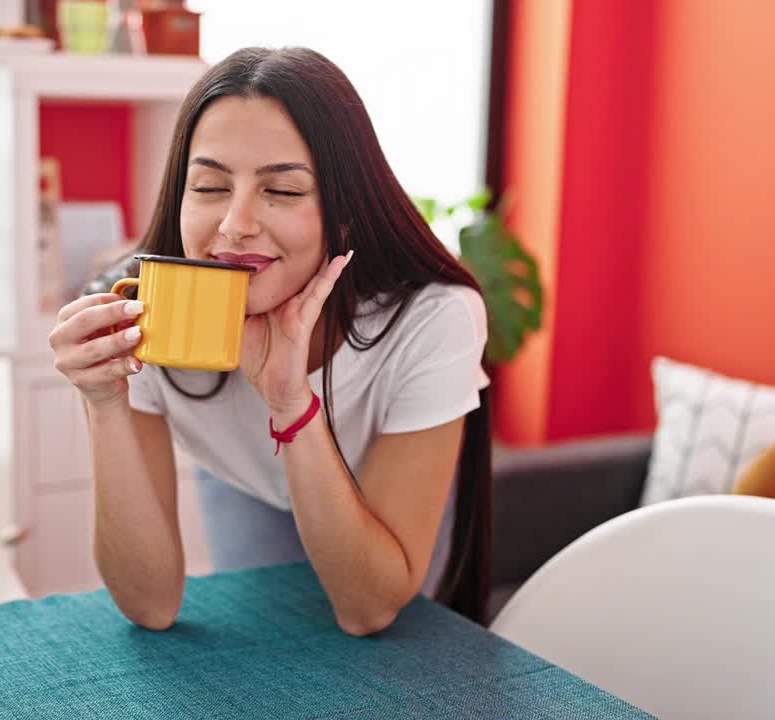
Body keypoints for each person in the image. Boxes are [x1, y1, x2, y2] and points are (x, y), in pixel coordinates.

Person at [49, 47, 492, 636]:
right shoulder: (141, 311)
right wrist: (104, 406)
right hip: (241, 477)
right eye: (208, 185)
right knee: (265, 648)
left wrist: (291, 405)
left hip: (376, 505)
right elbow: (150, 605)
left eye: (281, 191)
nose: (235, 225)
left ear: (345, 213)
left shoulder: (431, 321)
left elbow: (368, 609)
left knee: (392, 652)